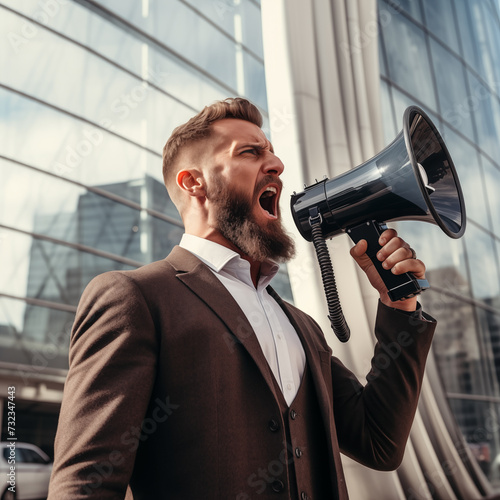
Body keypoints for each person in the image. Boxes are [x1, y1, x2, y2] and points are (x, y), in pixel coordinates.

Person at [48, 97, 436, 500]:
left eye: (271, 151)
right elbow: (86, 482)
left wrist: (399, 307)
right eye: (251, 152)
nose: (277, 165)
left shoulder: (303, 327)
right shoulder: (135, 298)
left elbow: (379, 443)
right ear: (193, 182)